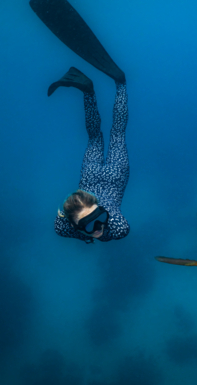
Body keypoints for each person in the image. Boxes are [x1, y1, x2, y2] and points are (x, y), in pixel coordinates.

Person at [30, 0, 130, 243]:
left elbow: (64, 222)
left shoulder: (110, 225)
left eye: (98, 218)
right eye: (90, 225)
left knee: (111, 133)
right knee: (109, 133)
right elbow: (62, 220)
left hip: (104, 176)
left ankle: (100, 87)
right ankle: (110, 85)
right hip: (97, 176)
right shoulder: (107, 226)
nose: (99, 227)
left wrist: (83, 233)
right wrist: (82, 225)